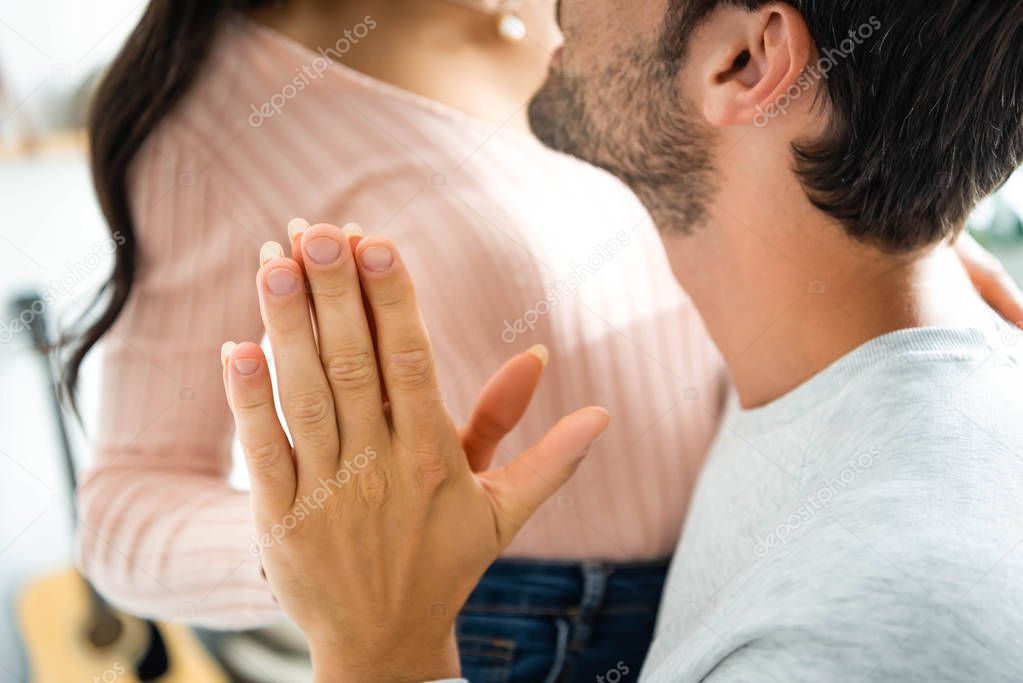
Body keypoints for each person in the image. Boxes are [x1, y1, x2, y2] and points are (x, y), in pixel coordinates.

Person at [218, 0, 1023, 681]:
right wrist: (907, 205)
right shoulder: (855, 347)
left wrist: (380, 644)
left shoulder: (864, 637)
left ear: (745, 62)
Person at [69, 0, 731, 679]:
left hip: (749, 560)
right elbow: (121, 514)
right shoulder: (223, 111)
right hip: (534, 637)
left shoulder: (609, 15)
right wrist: (325, 549)